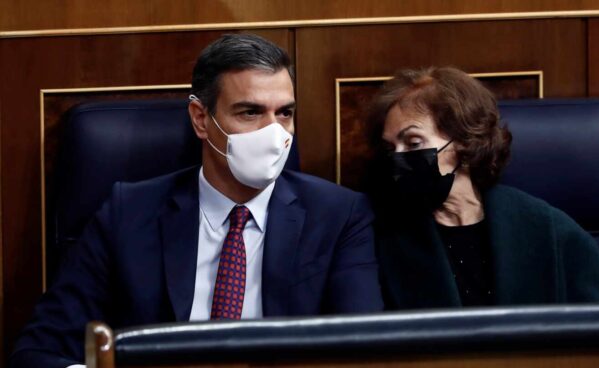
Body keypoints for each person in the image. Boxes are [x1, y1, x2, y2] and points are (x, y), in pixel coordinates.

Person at [11, 33, 383, 367]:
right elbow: (40, 350)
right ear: (201, 119)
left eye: (284, 113)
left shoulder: (339, 216)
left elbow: (361, 354)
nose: (274, 133)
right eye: (250, 112)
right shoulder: (129, 212)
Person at [365, 66, 599, 310]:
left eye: (413, 143)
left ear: (463, 141)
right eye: (391, 149)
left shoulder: (548, 229)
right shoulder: (381, 234)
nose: (398, 159)